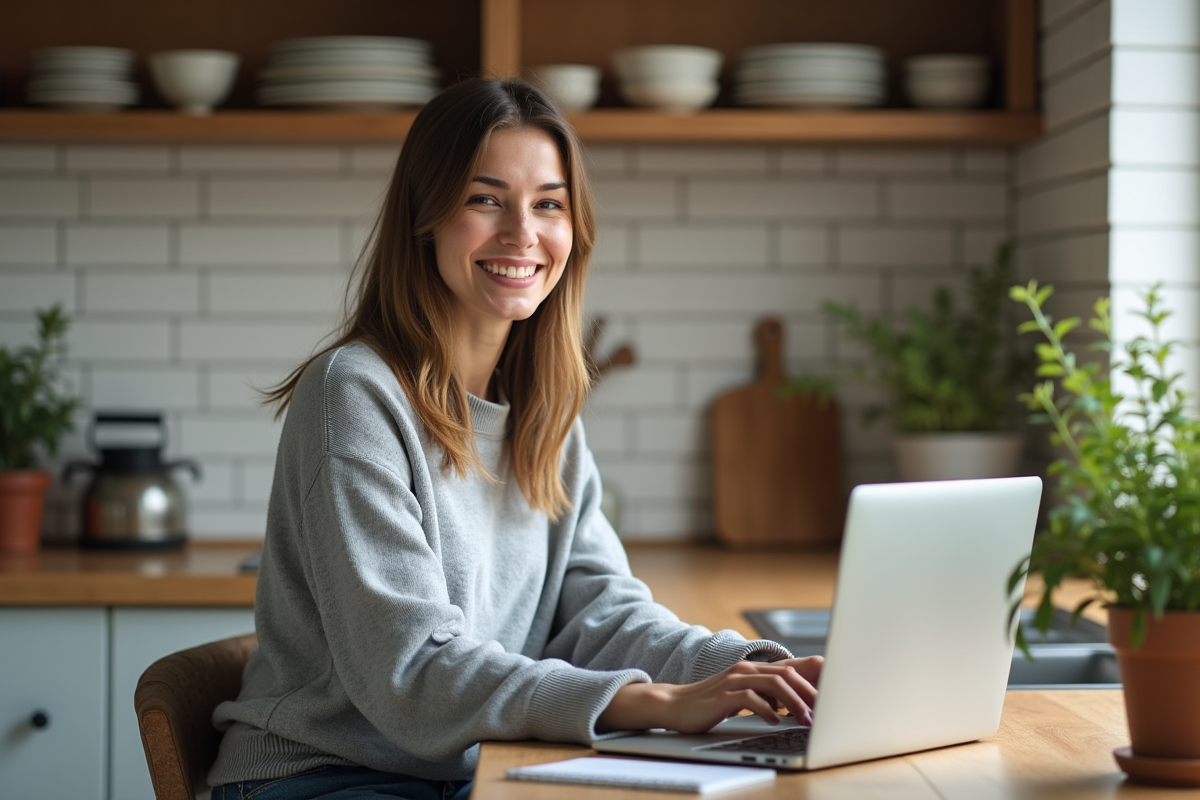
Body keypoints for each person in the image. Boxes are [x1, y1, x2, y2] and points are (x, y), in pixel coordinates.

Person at [208, 77, 821, 800]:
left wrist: (756, 668)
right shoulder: (354, 392)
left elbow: (603, 616)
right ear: (424, 216)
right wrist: (650, 702)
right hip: (326, 775)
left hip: (473, 768)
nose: (522, 232)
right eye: (485, 199)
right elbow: (412, 671)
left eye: (548, 204)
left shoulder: (543, 407)